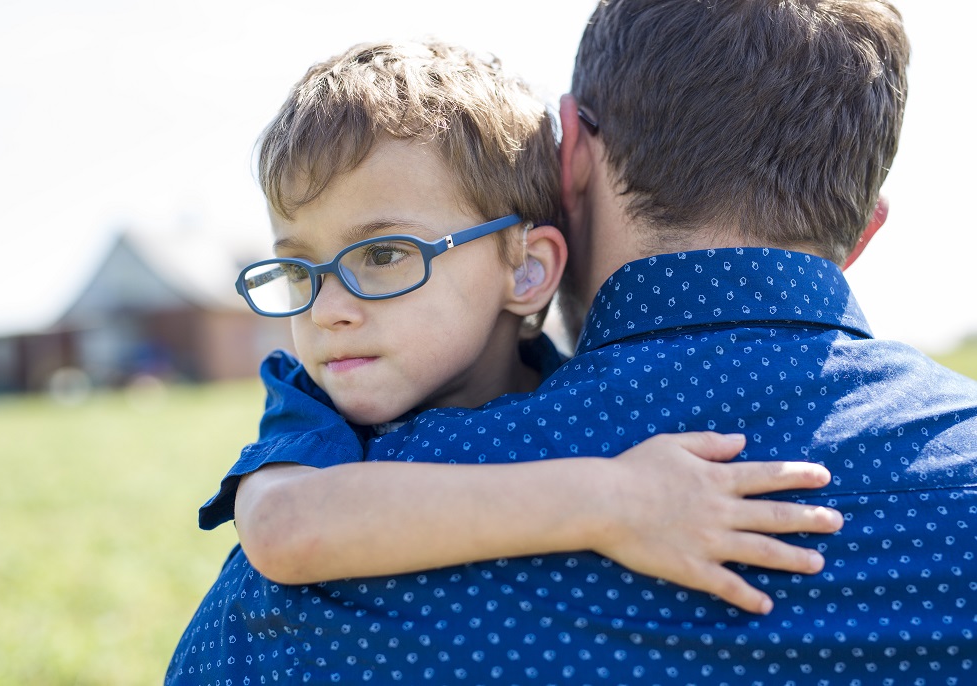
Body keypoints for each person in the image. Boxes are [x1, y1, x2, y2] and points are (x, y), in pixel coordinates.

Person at [172, 0, 977, 682]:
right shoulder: (324, 440)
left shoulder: (288, 610)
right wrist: (609, 500)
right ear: (863, 231)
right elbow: (285, 524)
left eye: (384, 256)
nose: (329, 310)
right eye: (299, 269)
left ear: (573, 156)